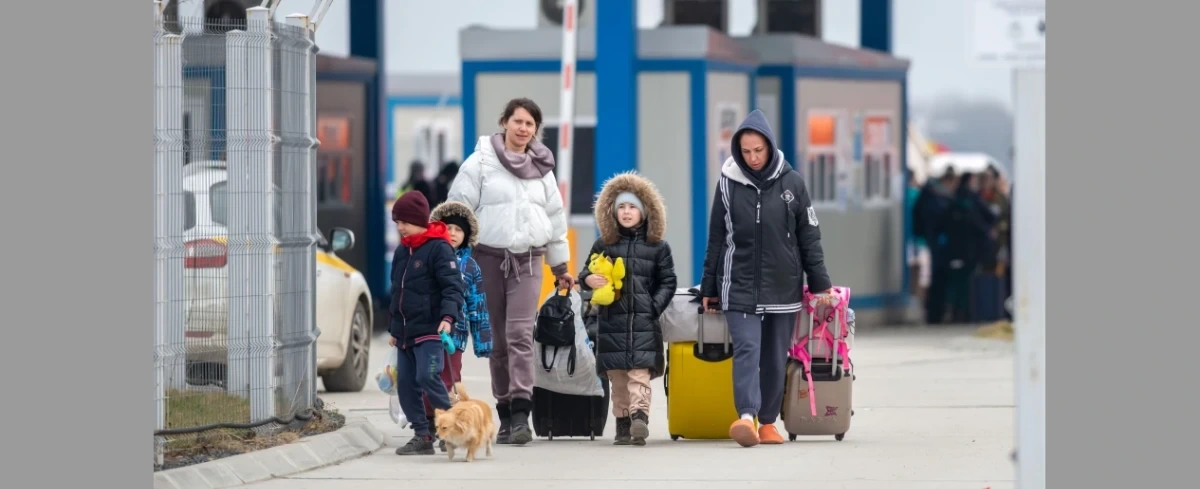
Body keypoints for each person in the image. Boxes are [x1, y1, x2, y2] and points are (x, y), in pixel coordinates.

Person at [699, 109, 833, 448]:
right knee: (747, 348)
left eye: (758, 150)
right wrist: (709, 287)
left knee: (775, 356)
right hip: (738, 282)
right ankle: (746, 416)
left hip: (782, 285)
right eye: (745, 151)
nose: (753, 158)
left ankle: (769, 423)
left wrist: (820, 284)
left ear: (770, 147)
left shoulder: (793, 183)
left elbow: (809, 237)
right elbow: (717, 238)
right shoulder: (728, 184)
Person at [446, 97, 575, 446]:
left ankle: (521, 414)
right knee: (498, 341)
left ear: (536, 130)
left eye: (530, 124)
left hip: (528, 261)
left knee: (519, 334)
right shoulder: (480, 164)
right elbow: (457, 210)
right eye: (517, 121)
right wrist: (450, 256)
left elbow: (555, 219)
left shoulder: (543, 169)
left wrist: (560, 265)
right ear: (505, 122)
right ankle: (504, 412)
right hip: (487, 259)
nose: (523, 128)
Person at [577, 172, 677, 447]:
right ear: (612, 211)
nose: (627, 212)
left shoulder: (658, 247)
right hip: (612, 322)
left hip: (644, 322)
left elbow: (668, 281)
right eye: (621, 207)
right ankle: (622, 423)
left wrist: (653, 307)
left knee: (639, 373)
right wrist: (587, 279)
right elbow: (586, 272)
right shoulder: (604, 244)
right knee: (618, 377)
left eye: (632, 206)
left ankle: (640, 418)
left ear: (645, 211)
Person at [387, 190, 466, 456]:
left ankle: (452, 428)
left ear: (419, 220)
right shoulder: (402, 251)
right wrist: (394, 329)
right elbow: (396, 292)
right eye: (397, 222)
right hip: (406, 334)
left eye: (404, 222)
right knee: (407, 385)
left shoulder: (439, 248)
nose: (399, 227)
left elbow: (452, 288)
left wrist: (448, 318)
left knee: (427, 376)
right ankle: (422, 435)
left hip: (431, 330)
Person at [420, 200, 493, 452]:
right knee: (427, 376)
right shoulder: (427, 256)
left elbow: (478, 304)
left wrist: (483, 341)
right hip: (426, 331)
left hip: (456, 336)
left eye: (458, 230)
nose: (452, 233)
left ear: (467, 235)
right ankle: (430, 423)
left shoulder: (471, 267)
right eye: (447, 227)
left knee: (450, 379)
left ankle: (451, 426)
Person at [912, 166, 958, 324]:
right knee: (937, 279)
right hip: (935, 243)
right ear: (947, 181)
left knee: (934, 279)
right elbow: (939, 220)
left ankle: (934, 313)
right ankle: (935, 314)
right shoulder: (937, 197)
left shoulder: (930, 194)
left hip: (931, 241)